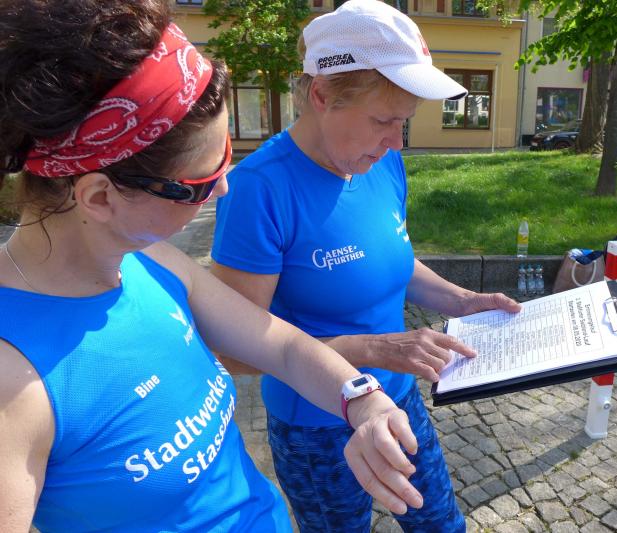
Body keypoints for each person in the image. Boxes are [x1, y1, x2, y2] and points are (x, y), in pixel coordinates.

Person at [0, 1, 426, 531]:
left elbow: (283, 347)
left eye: (225, 156)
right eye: (200, 182)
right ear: (100, 197)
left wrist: (363, 402)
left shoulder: (149, 259)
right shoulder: (13, 382)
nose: (224, 187)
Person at [210, 1, 522, 530]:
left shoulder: (384, 163)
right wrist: (375, 349)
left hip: (398, 399)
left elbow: (392, 261)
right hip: (316, 427)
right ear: (321, 95)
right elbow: (235, 349)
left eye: (404, 122)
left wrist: (464, 301)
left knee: (443, 525)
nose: (396, 141)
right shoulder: (258, 189)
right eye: (382, 120)